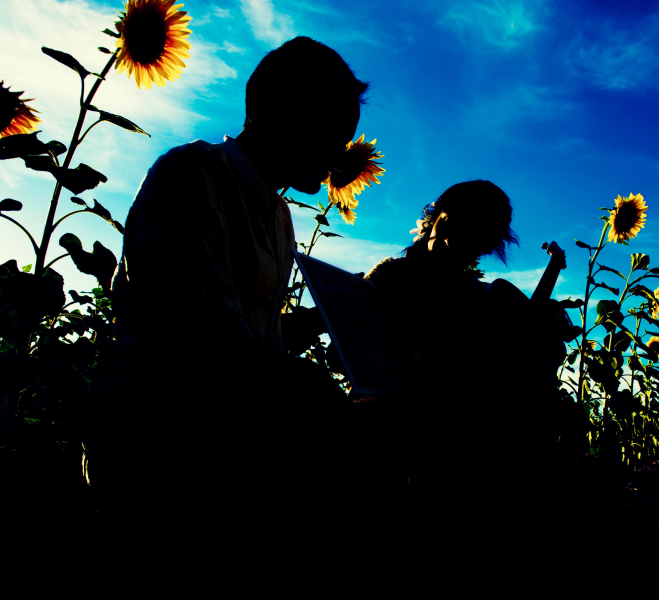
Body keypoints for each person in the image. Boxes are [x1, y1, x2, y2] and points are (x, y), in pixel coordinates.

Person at [84, 37, 371, 569]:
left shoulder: (279, 217)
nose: (339, 154)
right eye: (334, 132)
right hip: (158, 439)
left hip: (235, 433)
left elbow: (253, 336)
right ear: (279, 112)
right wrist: (320, 396)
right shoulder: (193, 175)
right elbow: (204, 332)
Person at [360, 180, 587, 556]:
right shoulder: (392, 277)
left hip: (484, 421)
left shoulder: (473, 290)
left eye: (479, 247)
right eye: (467, 241)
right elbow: (357, 353)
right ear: (442, 223)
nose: (469, 256)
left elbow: (513, 342)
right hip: (417, 419)